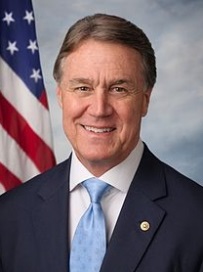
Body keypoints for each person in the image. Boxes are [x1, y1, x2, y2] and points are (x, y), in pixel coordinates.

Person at [0, 13, 203, 272]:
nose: (99, 109)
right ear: (61, 96)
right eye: (83, 88)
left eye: (119, 89)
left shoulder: (196, 219)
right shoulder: (8, 216)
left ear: (145, 100)